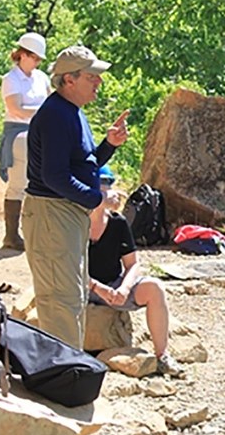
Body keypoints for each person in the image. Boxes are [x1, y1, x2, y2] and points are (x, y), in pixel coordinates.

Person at [22, 45, 129, 350]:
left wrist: (109, 144)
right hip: (52, 215)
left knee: (71, 295)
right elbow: (53, 176)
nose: (99, 82)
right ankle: (63, 381)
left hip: (66, 214)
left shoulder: (72, 112)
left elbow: (83, 164)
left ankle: (68, 373)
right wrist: (95, 200)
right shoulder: (56, 115)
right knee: (60, 301)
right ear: (69, 79)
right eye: (91, 76)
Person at [88, 166, 185, 378]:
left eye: (108, 187)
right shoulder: (74, 222)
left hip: (112, 285)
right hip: (81, 287)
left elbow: (133, 263)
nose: (107, 192)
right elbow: (70, 266)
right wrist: (97, 287)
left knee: (154, 288)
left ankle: (162, 356)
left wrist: (124, 288)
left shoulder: (117, 223)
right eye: (101, 188)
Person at [0, 32, 51, 250]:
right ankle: (11, 235)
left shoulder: (41, 78)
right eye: (35, 57)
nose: (37, 62)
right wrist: (44, 111)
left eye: (39, 59)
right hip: (20, 133)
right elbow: (16, 109)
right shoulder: (10, 79)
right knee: (19, 184)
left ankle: (36, 231)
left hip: (40, 132)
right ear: (23, 55)